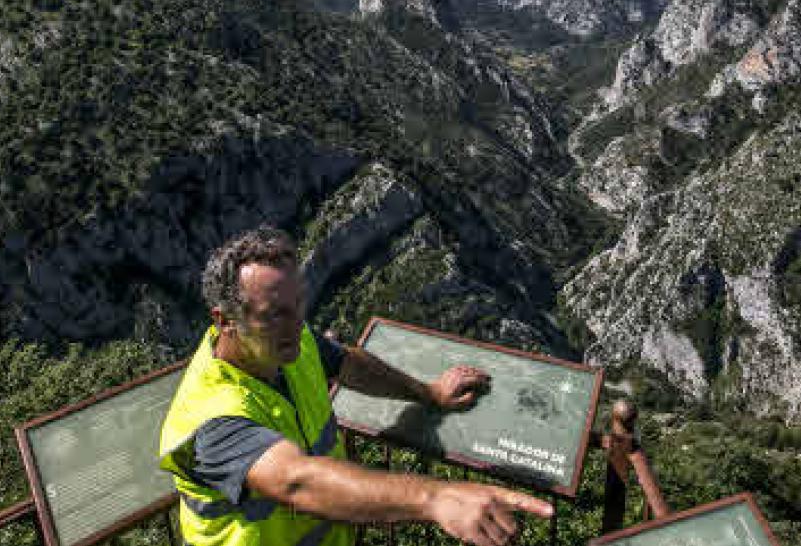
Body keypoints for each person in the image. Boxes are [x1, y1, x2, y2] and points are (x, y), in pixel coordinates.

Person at [159, 226, 552, 546]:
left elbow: (347, 364)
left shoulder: (288, 343)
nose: (296, 323)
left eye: (299, 304)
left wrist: (428, 393)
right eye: (275, 314)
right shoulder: (212, 418)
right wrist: (437, 498)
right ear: (225, 320)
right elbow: (296, 480)